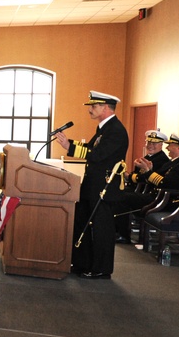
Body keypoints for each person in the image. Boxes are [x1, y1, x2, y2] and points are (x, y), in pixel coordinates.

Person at [54, 91, 129, 279]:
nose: (90, 110)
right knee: (82, 221)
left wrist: (71, 148)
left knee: (102, 227)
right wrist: (68, 144)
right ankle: (82, 262)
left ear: (105, 108)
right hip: (92, 184)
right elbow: (91, 149)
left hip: (104, 186)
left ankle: (101, 268)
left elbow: (98, 155)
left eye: (93, 106)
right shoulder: (103, 128)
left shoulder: (116, 130)